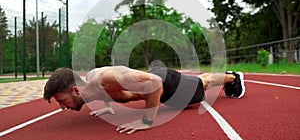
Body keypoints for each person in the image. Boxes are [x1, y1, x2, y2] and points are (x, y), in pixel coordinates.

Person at [43, 66, 245, 134]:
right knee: (201, 81)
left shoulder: (104, 79)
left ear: (76, 90)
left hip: (167, 86)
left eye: (62, 100)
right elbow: (105, 92)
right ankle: (230, 76)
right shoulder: (92, 83)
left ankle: (233, 77)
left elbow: (155, 82)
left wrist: (146, 121)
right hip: (163, 80)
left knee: (203, 83)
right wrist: (107, 107)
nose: (62, 107)